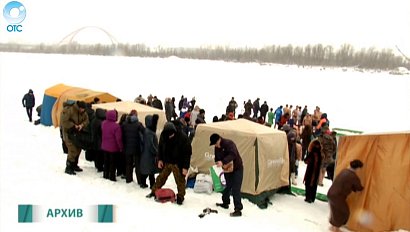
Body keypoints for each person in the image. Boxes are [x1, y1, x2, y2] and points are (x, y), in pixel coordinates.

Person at [146, 121, 192, 205]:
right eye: (168, 135)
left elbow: (187, 154)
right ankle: (154, 191)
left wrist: (185, 167)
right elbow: (160, 148)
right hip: (167, 161)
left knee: (180, 181)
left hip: (178, 163)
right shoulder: (164, 135)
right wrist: (160, 159)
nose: (170, 137)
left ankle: (180, 197)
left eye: (171, 135)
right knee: (161, 178)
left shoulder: (183, 138)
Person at [210, 133, 244, 217]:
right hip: (226, 170)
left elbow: (233, 154)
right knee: (225, 186)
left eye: (216, 143)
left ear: (219, 140)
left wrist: (223, 161)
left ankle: (238, 209)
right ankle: (225, 203)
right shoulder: (216, 148)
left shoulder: (229, 144)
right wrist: (217, 163)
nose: (216, 146)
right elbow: (217, 158)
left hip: (237, 169)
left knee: (236, 188)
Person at [327, 159, 364, 232]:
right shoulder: (353, 176)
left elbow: (345, 183)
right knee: (344, 212)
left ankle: (333, 226)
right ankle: (336, 228)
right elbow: (359, 187)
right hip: (338, 196)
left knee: (335, 211)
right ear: (358, 168)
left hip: (331, 193)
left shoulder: (344, 171)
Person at [60, 101, 89, 175]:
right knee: (72, 149)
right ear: (79, 107)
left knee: (78, 149)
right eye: (82, 109)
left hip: (77, 133)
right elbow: (64, 121)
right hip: (68, 133)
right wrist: (73, 125)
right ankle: (69, 167)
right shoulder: (69, 110)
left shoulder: (83, 112)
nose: (83, 111)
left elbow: (87, 120)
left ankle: (74, 165)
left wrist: (82, 125)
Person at [140, 114, 159, 188]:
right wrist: (156, 152)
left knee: (147, 170)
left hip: (145, 154)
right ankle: (151, 184)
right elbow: (150, 145)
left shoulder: (146, 131)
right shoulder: (149, 133)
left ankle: (145, 183)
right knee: (150, 171)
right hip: (149, 155)